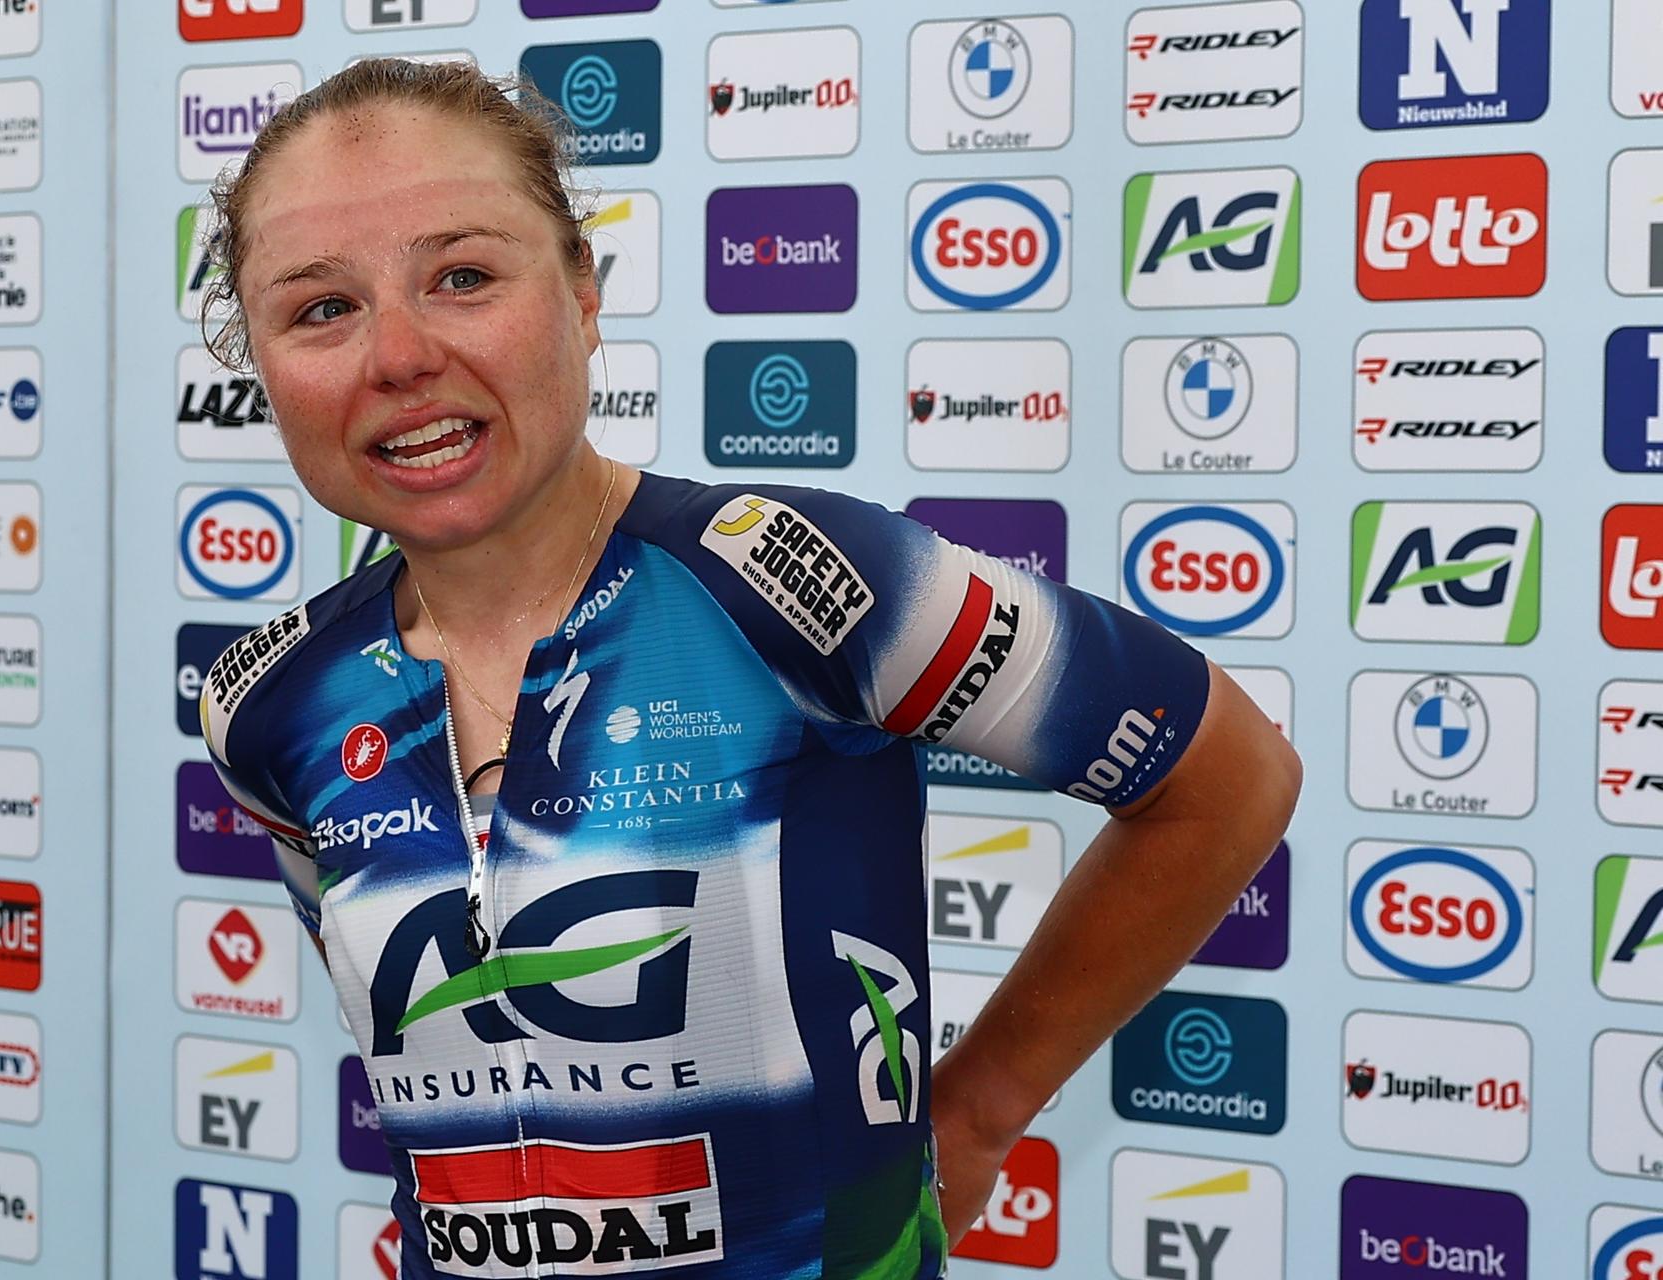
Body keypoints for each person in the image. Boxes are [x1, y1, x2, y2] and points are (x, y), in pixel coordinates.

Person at [197, 57, 1301, 1280]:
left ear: (580, 290)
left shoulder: (793, 579)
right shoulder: (269, 703)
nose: (398, 354)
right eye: (320, 309)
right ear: (259, 356)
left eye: (463, 275)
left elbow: (1226, 779)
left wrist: (980, 1108)